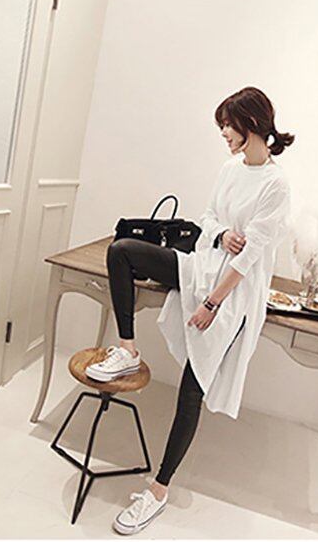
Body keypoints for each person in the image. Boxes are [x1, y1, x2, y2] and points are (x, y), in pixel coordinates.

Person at [87, 86, 294, 535]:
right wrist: (220, 236)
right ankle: (127, 350)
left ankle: (158, 490)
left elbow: (252, 256)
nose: (223, 134)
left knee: (191, 388)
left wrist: (212, 303)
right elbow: (209, 217)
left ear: (251, 124)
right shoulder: (230, 169)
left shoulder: (276, 185)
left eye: (228, 125)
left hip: (234, 291)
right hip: (202, 265)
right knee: (122, 251)